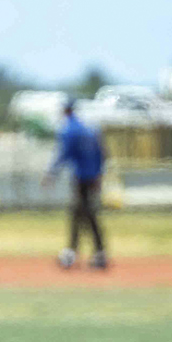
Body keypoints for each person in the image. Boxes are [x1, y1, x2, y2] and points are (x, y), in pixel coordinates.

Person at [45, 98, 107, 269]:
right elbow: (101, 153)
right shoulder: (89, 129)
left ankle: (78, 252)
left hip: (81, 177)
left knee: (81, 212)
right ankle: (94, 251)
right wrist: (99, 175)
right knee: (83, 212)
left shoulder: (68, 130)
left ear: (65, 111)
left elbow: (63, 154)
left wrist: (51, 172)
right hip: (92, 177)